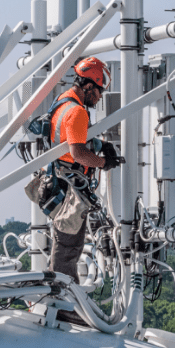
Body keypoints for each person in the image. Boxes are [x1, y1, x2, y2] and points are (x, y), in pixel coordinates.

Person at [48, 56, 121, 282]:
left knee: (68, 245)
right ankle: (63, 304)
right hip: (69, 188)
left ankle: (64, 299)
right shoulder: (78, 112)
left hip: (58, 181)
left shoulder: (63, 101)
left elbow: (68, 141)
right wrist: (103, 162)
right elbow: (78, 153)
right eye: (99, 92)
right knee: (68, 248)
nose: (99, 98)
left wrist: (101, 145)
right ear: (89, 86)